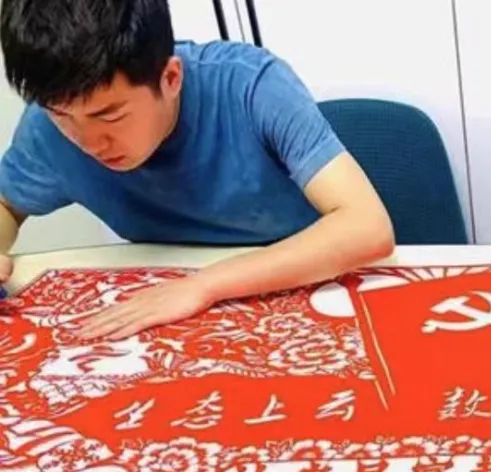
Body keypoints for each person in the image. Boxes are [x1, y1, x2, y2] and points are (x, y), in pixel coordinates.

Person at [0, 0, 394, 340]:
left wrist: (205, 286)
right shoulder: (46, 128)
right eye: (62, 116)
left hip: (298, 283)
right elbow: (7, 205)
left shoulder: (252, 86)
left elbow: (367, 227)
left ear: (171, 78)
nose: (89, 143)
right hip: (164, 306)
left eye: (110, 116)